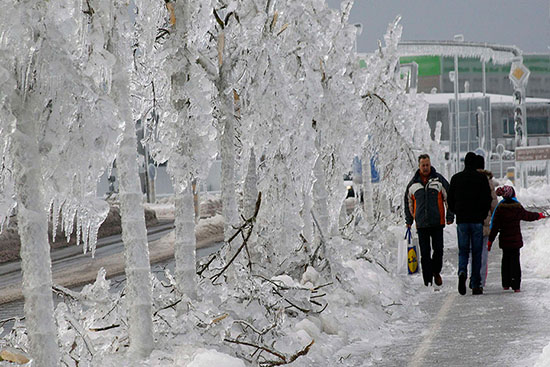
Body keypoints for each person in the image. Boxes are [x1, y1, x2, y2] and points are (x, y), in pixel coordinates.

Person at [404, 154, 454, 287]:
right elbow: (407, 202)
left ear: (430, 164)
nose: (425, 167)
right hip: (421, 224)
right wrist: (409, 220)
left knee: (438, 250)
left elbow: (449, 198)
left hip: (437, 222)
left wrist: (450, 215)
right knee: (425, 253)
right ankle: (427, 281)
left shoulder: (439, 180)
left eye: (427, 165)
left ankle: (436, 272)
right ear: (419, 166)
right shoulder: (413, 184)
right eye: (423, 165)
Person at [447, 152, 492, 295]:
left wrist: (456, 211)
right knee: (477, 253)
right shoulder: (481, 179)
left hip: (462, 221)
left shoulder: (456, 179)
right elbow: (487, 199)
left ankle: (462, 272)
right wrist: (483, 214)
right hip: (477, 220)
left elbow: (450, 200)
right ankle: (475, 284)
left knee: (463, 251)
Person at [488, 185, 545, 292]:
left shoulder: (500, 209)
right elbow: (528, 216)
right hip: (515, 240)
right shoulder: (517, 207)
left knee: (505, 261)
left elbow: (495, 226)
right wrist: (539, 215)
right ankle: (516, 286)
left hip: (504, 241)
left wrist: (490, 241)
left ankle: (506, 283)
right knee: (515, 262)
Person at [470, 154, 498, 288]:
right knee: (483, 252)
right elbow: (494, 202)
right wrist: (495, 218)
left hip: (471, 219)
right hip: (486, 221)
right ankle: (481, 280)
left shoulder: (470, 179)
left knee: (472, 252)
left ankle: (473, 278)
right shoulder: (488, 180)